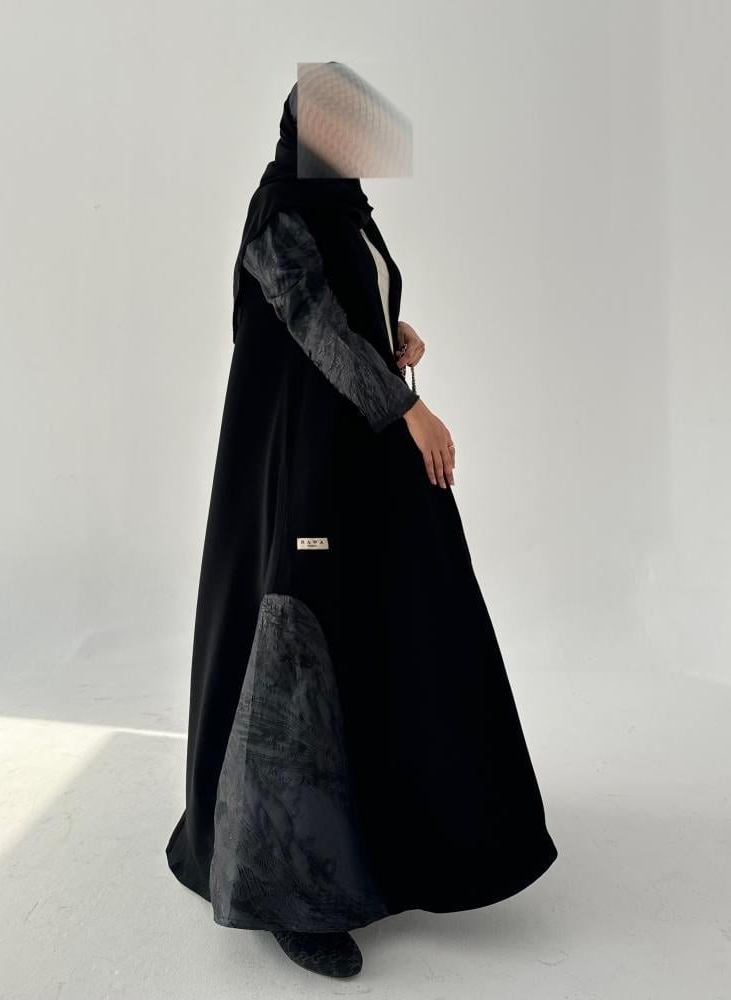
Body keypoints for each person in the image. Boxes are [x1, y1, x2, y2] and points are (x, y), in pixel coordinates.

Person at [165, 62, 558, 980]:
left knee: (394, 631)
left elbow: (351, 313)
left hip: (355, 457)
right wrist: (410, 406)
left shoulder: (345, 212)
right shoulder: (280, 215)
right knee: (295, 647)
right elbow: (313, 325)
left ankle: (397, 843)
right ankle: (282, 890)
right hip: (304, 469)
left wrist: (395, 331)